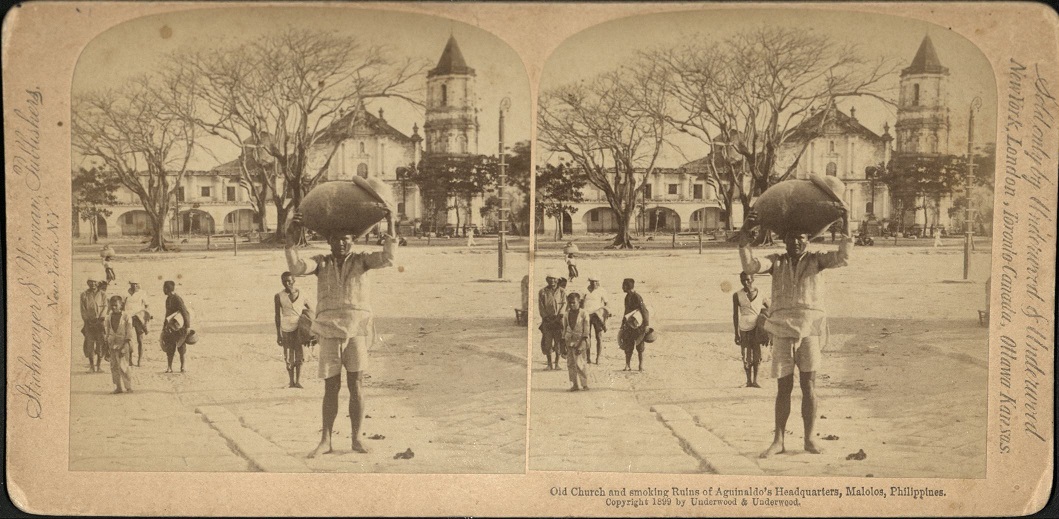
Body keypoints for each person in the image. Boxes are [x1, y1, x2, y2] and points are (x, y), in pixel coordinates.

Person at [739, 208, 851, 458]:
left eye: (801, 237)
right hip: (781, 329)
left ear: (808, 240)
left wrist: (847, 226)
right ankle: (778, 440)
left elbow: (843, 258)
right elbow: (750, 265)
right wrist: (745, 235)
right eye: (791, 237)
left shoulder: (816, 260)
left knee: (809, 385)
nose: (797, 242)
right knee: (783, 387)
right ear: (785, 240)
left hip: (809, 330)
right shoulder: (776, 261)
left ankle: (809, 439)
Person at [286, 211, 396, 458]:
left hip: (356, 330)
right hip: (328, 329)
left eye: (346, 239)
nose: (341, 243)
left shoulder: (362, 261)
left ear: (352, 241)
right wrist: (290, 241)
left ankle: (357, 438)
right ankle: (326, 440)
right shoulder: (321, 262)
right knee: (330, 387)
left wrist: (390, 223)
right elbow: (296, 266)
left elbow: (388, 258)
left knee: (356, 384)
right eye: (336, 239)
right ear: (329, 242)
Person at [275, 272, 313, 389]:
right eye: (284, 281)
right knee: (288, 354)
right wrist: (278, 334)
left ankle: (298, 381)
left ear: (294, 280)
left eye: (289, 281)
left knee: (300, 353)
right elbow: (277, 316)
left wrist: (309, 323)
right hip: (286, 328)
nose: (287, 283)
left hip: (300, 328)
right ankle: (291, 382)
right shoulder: (279, 296)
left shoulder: (301, 294)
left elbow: (311, 310)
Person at [732, 272, 769, 388]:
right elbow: (735, 315)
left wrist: (764, 320)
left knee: (757, 353)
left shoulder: (761, 293)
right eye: (742, 280)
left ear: (753, 279)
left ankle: (756, 381)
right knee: (746, 355)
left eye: (747, 280)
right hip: (744, 328)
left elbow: (771, 308)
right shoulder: (737, 295)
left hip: (757, 329)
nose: (745, 282)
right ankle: (748, 381)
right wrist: (736, 333)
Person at [103, 295, 134, 394]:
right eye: (112, 305)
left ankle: (128, 387)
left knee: (123, 366)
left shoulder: (126, 317)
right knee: (114, 366)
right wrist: (106, 347)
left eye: (116, 305)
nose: (113, 307)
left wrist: (124, 347)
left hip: (123, 344)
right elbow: (107, 332)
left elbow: (129, 332)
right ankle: (118, 387)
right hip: (112, 344)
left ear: (121, 305)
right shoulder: (108, 317)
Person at [160, 280, 191, 374]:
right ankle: (169, 367)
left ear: (166, 289)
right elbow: (167, 314)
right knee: (170, 347)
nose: (163, 290)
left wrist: (187, 326)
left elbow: (184, 312)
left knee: (181, 347)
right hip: (170, 327)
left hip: (179, 327)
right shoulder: (168, 299)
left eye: (164, 288)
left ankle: (183, 367)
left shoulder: (177, 298)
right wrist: (164, 326)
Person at [619, 278, 649, 372]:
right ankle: (628, 365)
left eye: (623, 285)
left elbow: (644, 311)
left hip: (638, 325)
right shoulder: (627, 297)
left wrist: (646, 325)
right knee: (628, 345)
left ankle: (641, 366)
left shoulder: (637, 297)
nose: (622, 287)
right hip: (629, 325)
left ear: (627, 286)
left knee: (640, 346)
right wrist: (623, 324)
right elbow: (626, 311)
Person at [537, 272, 565, 370]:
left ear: (557, 280)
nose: (552, 281)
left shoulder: (562, 291)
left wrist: (559, 316)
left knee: (558, 342)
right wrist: (545, 317)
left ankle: (557, 363)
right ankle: (549, 364)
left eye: (554, 279)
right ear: (547, 280)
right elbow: (541, 306)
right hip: (547, 321)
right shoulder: (542, 292)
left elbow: (564, 304)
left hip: (558, 321)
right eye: (550, 279)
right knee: (547, 342)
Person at [562, 292, 590, 391]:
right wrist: (562, 344)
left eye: (574, 303)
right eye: (570, 303)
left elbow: (586, 330)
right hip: (569, 340)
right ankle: (574, 385)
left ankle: (584, 384)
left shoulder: (584, 313)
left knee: (580, 363)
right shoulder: (566, 314)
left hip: (580, 340)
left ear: (579, 302)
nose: (572, 305)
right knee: (570, 363)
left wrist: (582, 344)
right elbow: (564, 328)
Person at [79, 279, 106, 372]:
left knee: (100, 344)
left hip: (100, 322)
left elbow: (105, 306)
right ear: (88, 283)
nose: (93, 284)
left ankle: (99, 366)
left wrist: (101, 318)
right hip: (88, 323)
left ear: (98, 283)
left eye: (95, 282)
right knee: (89, 344)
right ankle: (91, 366)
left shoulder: (103, 294)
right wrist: (87, 320)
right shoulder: (84, 294)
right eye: (91, 282)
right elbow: (83, 309)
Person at [582, 276, 609, 364]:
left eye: (596, 281)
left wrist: (605, 316)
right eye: (592, 281)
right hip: (586, 315)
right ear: (589, 281)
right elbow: (581, 303)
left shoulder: (602, 291)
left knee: (599, 337)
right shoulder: (584, 290)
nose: (594, 283)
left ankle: (598, 358)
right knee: (587, 336)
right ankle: (588, 357)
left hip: (597, 315)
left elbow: (606, 304)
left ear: (599, 282)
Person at [124, 280, 150, 367]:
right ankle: (130, 359)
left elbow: (147, 305)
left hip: (139, 318)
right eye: (132, 284)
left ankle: (139, 360)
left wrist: (145, 316)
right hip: (129, 318)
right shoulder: (125, 293)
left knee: (140, 340)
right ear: (130, 284)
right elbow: (122, 305)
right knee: (129, 339)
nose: (134, 286)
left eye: (136, 284)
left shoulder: (142, 293)